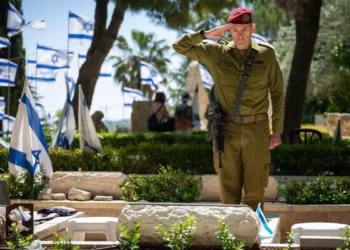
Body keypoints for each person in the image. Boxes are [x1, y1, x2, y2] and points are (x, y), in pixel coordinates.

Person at [172, 7, 284, 211]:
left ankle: (253, 235)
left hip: (257, 130)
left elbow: (277, 93)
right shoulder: (216, 53)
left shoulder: (267, 55)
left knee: (255, 191)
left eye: (245, 29)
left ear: (252, 29)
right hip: (227, 130)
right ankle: (232, 236)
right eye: (235, 30)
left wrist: (276, 130)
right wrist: (206, 34)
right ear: (228, 30)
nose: (240, 35)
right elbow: (179, 46)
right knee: (228, 190)